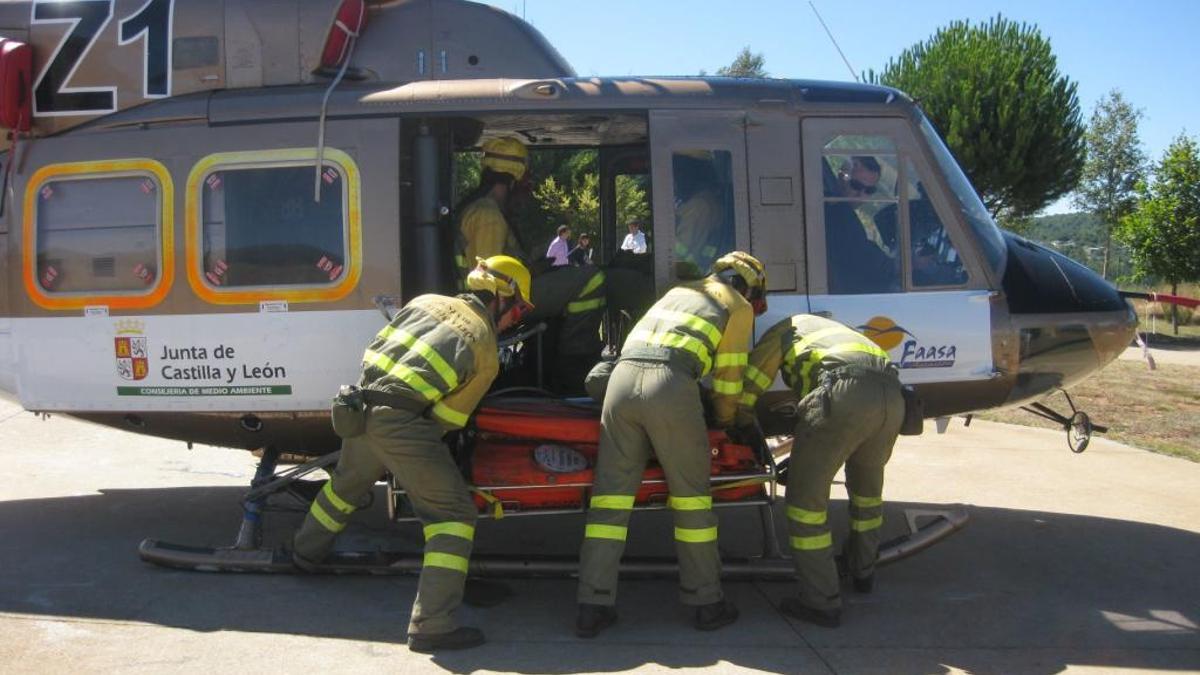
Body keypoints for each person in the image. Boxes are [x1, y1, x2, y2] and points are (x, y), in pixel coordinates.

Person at [291, 255, 535, 652]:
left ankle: (304, 553)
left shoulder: (424, 302)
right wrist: (412, 456)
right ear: (503, 297)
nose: (517, 319)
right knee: (453, 515)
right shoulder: (485, 347)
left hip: (359, 404)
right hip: (403, 422)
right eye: (520, 308)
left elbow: (375, 349)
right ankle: (433, 625)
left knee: (344, 488)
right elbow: (447, 419)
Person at [575, 251, 768, 638]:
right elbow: (730, 377)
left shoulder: (677, 292)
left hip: (622, 383)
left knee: (610, 501)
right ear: (750, 287)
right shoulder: (738, 305)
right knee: (692, 501)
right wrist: (726, 422)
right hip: (670, 384)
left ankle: (592, 605)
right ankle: (706, 602)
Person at [734, 314, 903, 628]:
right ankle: (863, 572)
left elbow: (752, 383)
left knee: (804, 505)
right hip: (893, 398)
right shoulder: (841, 331)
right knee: (867, 494)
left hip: (845, 394)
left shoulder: (785, 328)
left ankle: (820, 601)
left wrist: (738, 420)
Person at [454, 137, 529, 282]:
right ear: (514, 181)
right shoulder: (489, 217)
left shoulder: (480, 209)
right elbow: (488, 281)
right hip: (490, 302)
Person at [824, 156, 899, 294]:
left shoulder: (840, 211)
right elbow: (864, 262)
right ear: (841, 177)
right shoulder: (838, 215)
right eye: (856, 186)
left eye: (869, 191)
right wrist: (901, 265)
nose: (861, 195)